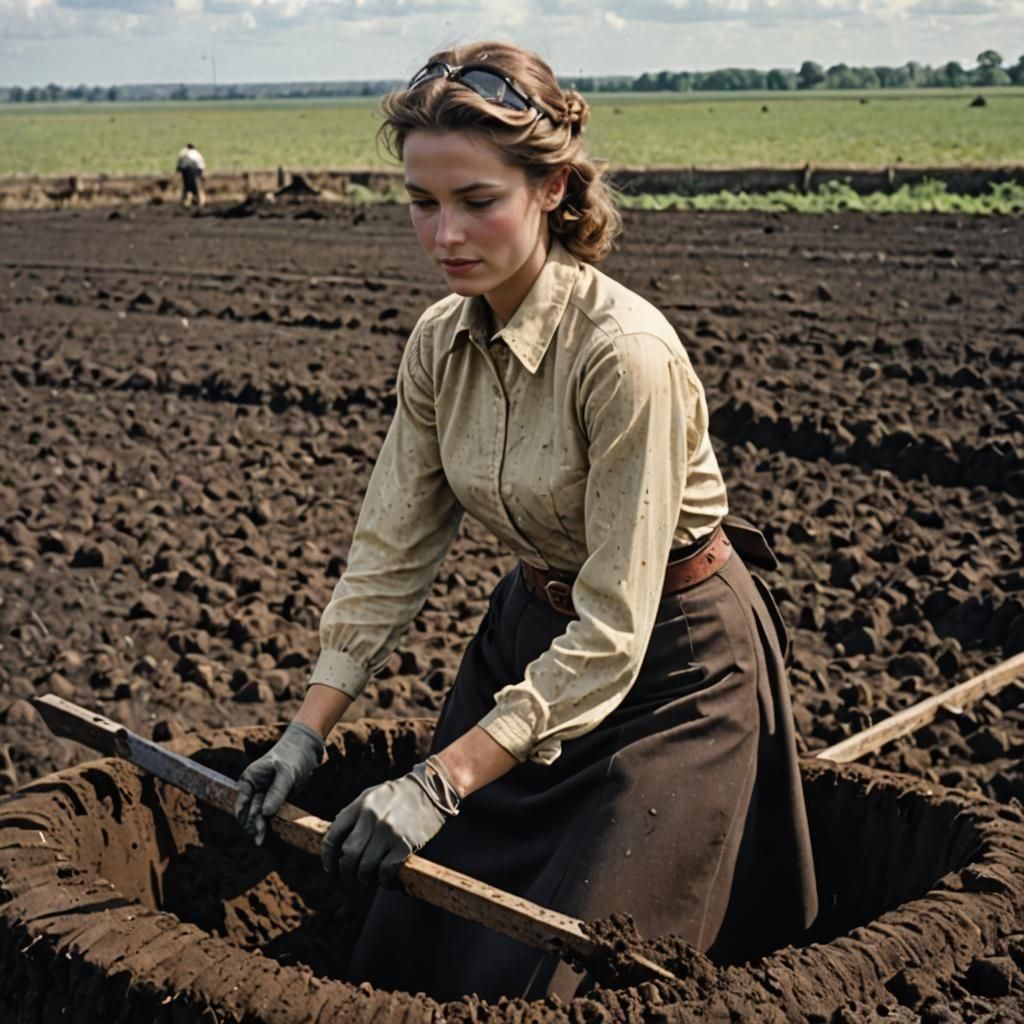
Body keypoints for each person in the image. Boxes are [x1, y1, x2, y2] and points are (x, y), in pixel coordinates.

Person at [234, 40, 817, 1001]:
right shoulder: (438, 342)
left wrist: (436, 782)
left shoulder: (622, 354)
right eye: (424, 202)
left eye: (478, 201)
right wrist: (307, 728)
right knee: (414, 936)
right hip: (530, 637)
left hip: (673, 663)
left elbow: (616, 627)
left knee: (585, 965)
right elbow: (392, 547)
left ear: (549, 190)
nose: (445, 233)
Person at [176, 142, 206, 208]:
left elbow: (179, 163)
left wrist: (179, 171)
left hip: (186, 170)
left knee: (186, 187)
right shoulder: (197, 154)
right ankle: (200, 202)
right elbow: (201, 165)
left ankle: (186, 202)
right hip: (195, 170)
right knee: (197, 187)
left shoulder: (183, 152)